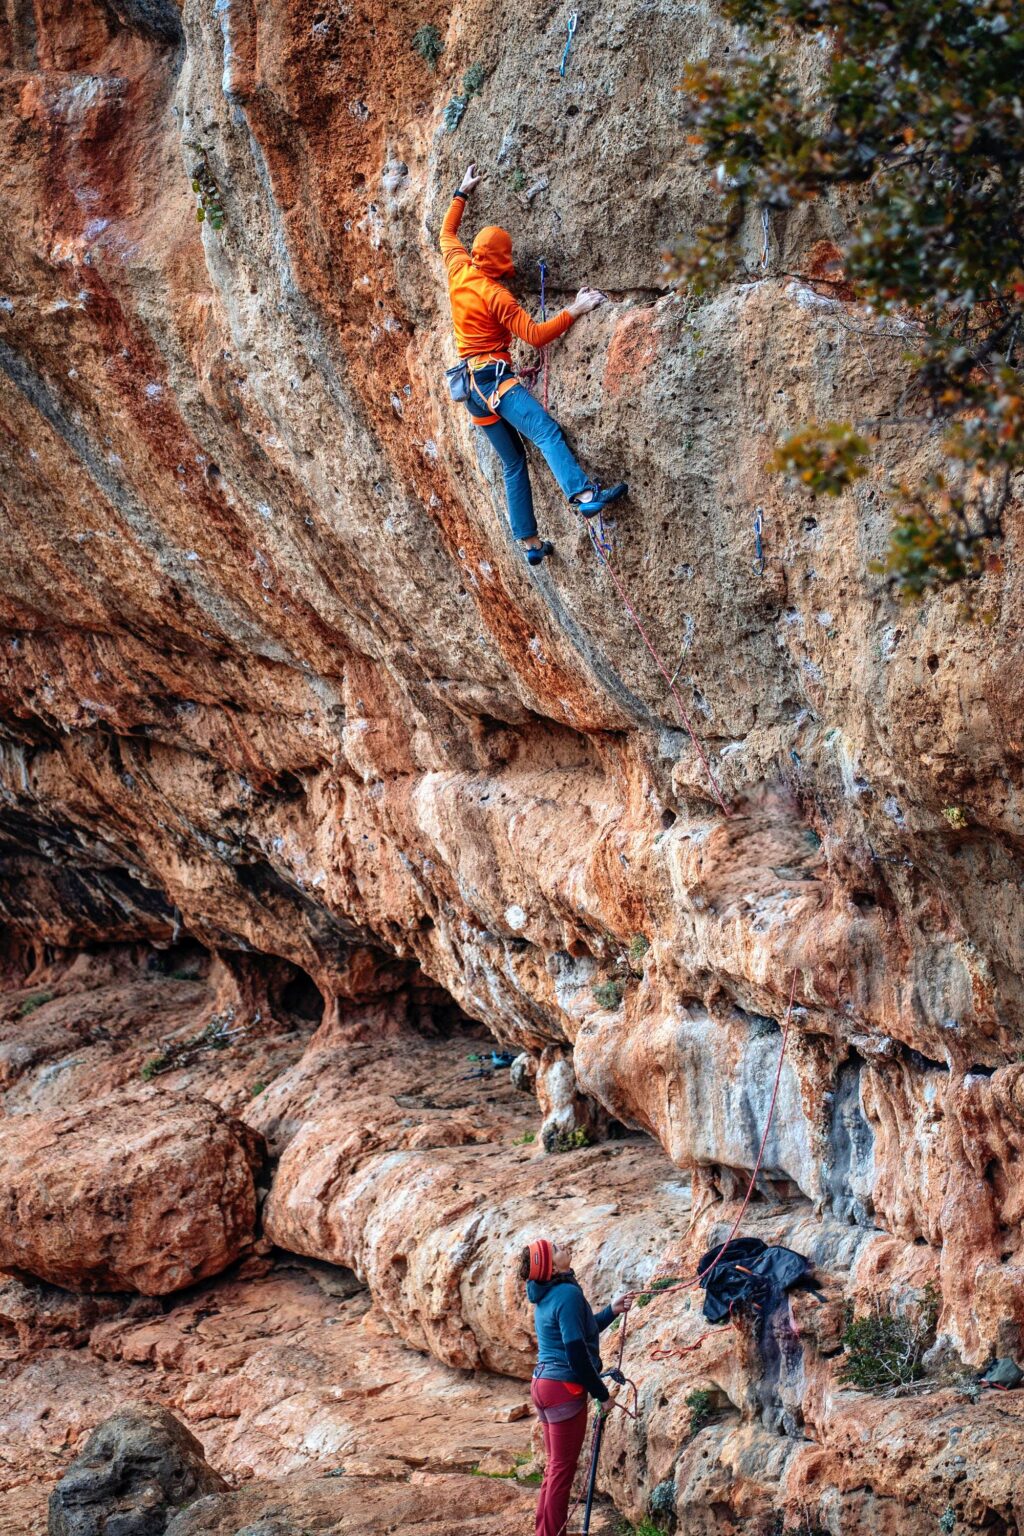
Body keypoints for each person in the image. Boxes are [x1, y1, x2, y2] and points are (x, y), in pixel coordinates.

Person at [440, 163, 627, 567]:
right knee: (544, 431)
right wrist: (576, 309)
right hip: (495, 384)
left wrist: (462, 192)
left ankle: (530, 544)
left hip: (471, 389)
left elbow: (447, 234)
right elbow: (536, 335)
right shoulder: (496, 296)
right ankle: (584, 496)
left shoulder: (458, 269)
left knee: (513, 463)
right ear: (501, 262)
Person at [521, 1236, 632, 1536]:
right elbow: (575, 1352)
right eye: (555, 1249)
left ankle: (545, 1532)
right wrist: (602, 1394)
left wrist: (611, 1311)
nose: (562, 1247)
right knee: (561, 1470)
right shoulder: (567, 1294)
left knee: (554, 1467)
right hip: (562, 1387)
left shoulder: (547, 1293)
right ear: (551, 1267)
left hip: (543, 1384)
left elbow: (580, 1331)